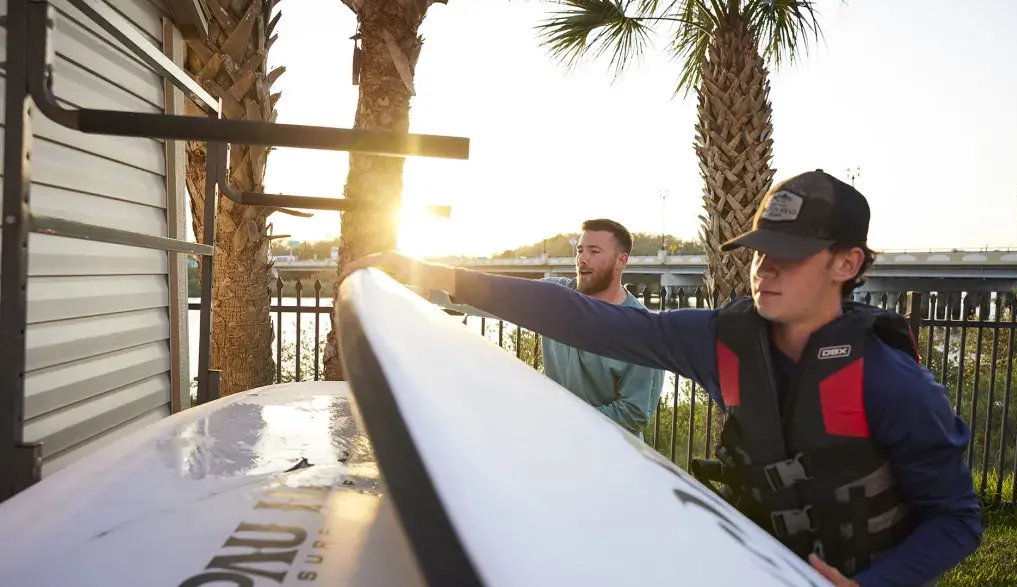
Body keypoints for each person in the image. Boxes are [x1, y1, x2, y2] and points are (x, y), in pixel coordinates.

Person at [340, 169, 982, 587]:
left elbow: (957, 521)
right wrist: (442, 276)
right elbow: (586, 320)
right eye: (760, 250)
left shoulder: (891, 380)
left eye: (789, 255)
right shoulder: (719, 342)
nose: (765, 268)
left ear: (847, 262)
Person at [430, 219, 666, 437]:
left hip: (610, 457)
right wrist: (428, 287)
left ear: (621, 261)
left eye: (594, 252)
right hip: (552, 445)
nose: (583, 259)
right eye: (580, 250)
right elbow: (497, 298)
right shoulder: (556, 298)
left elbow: (635, 413)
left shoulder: (640, 330)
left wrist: (565, 420)